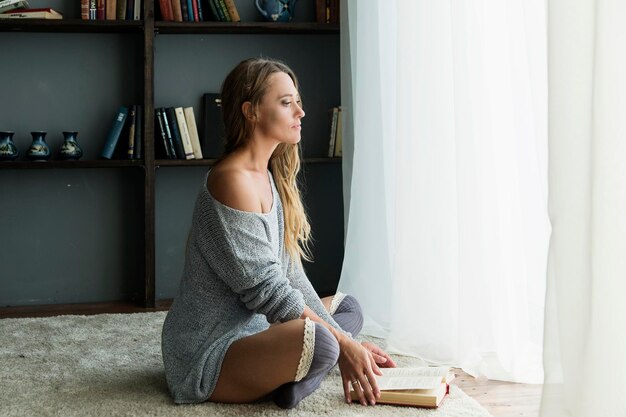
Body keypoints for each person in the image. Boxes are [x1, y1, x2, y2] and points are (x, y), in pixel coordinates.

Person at [161, 57, 396, 409]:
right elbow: (268, 292)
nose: (300, 112)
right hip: (210, 352)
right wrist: (345, 344)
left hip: (259, 330)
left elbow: (289, 277)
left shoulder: (268, 177)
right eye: (287, 103)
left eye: (297, 102)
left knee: (349, 308)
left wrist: (349, 339)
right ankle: (296, 377)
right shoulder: (232, 180)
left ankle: (293, 378)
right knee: (324, 341)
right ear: (251, 111)